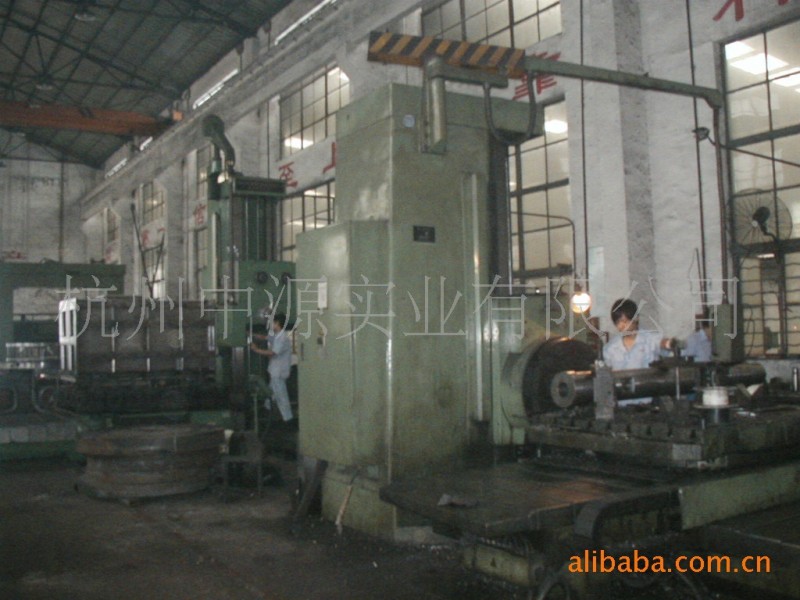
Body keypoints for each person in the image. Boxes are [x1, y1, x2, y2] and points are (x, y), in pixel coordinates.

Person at [602, 298, 672, 370]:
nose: (621, 325)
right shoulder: (610, 348)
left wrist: (669, 343)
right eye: (617, 322)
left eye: (624, 321)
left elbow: (665, 344)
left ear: (636, 318)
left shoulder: (651, 339)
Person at [250, 313, 293, 422]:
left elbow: (272, 353)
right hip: (275, 371)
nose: (270, 325)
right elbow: (268, 338)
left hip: (278, 372)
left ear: (277, 323)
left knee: (281, 396)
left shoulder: (282, 337)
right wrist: (256, 335)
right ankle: (267, 412)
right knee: (271, 394)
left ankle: (287, 419)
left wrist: (256, 350)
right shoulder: (278, 335)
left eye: (272, 322)